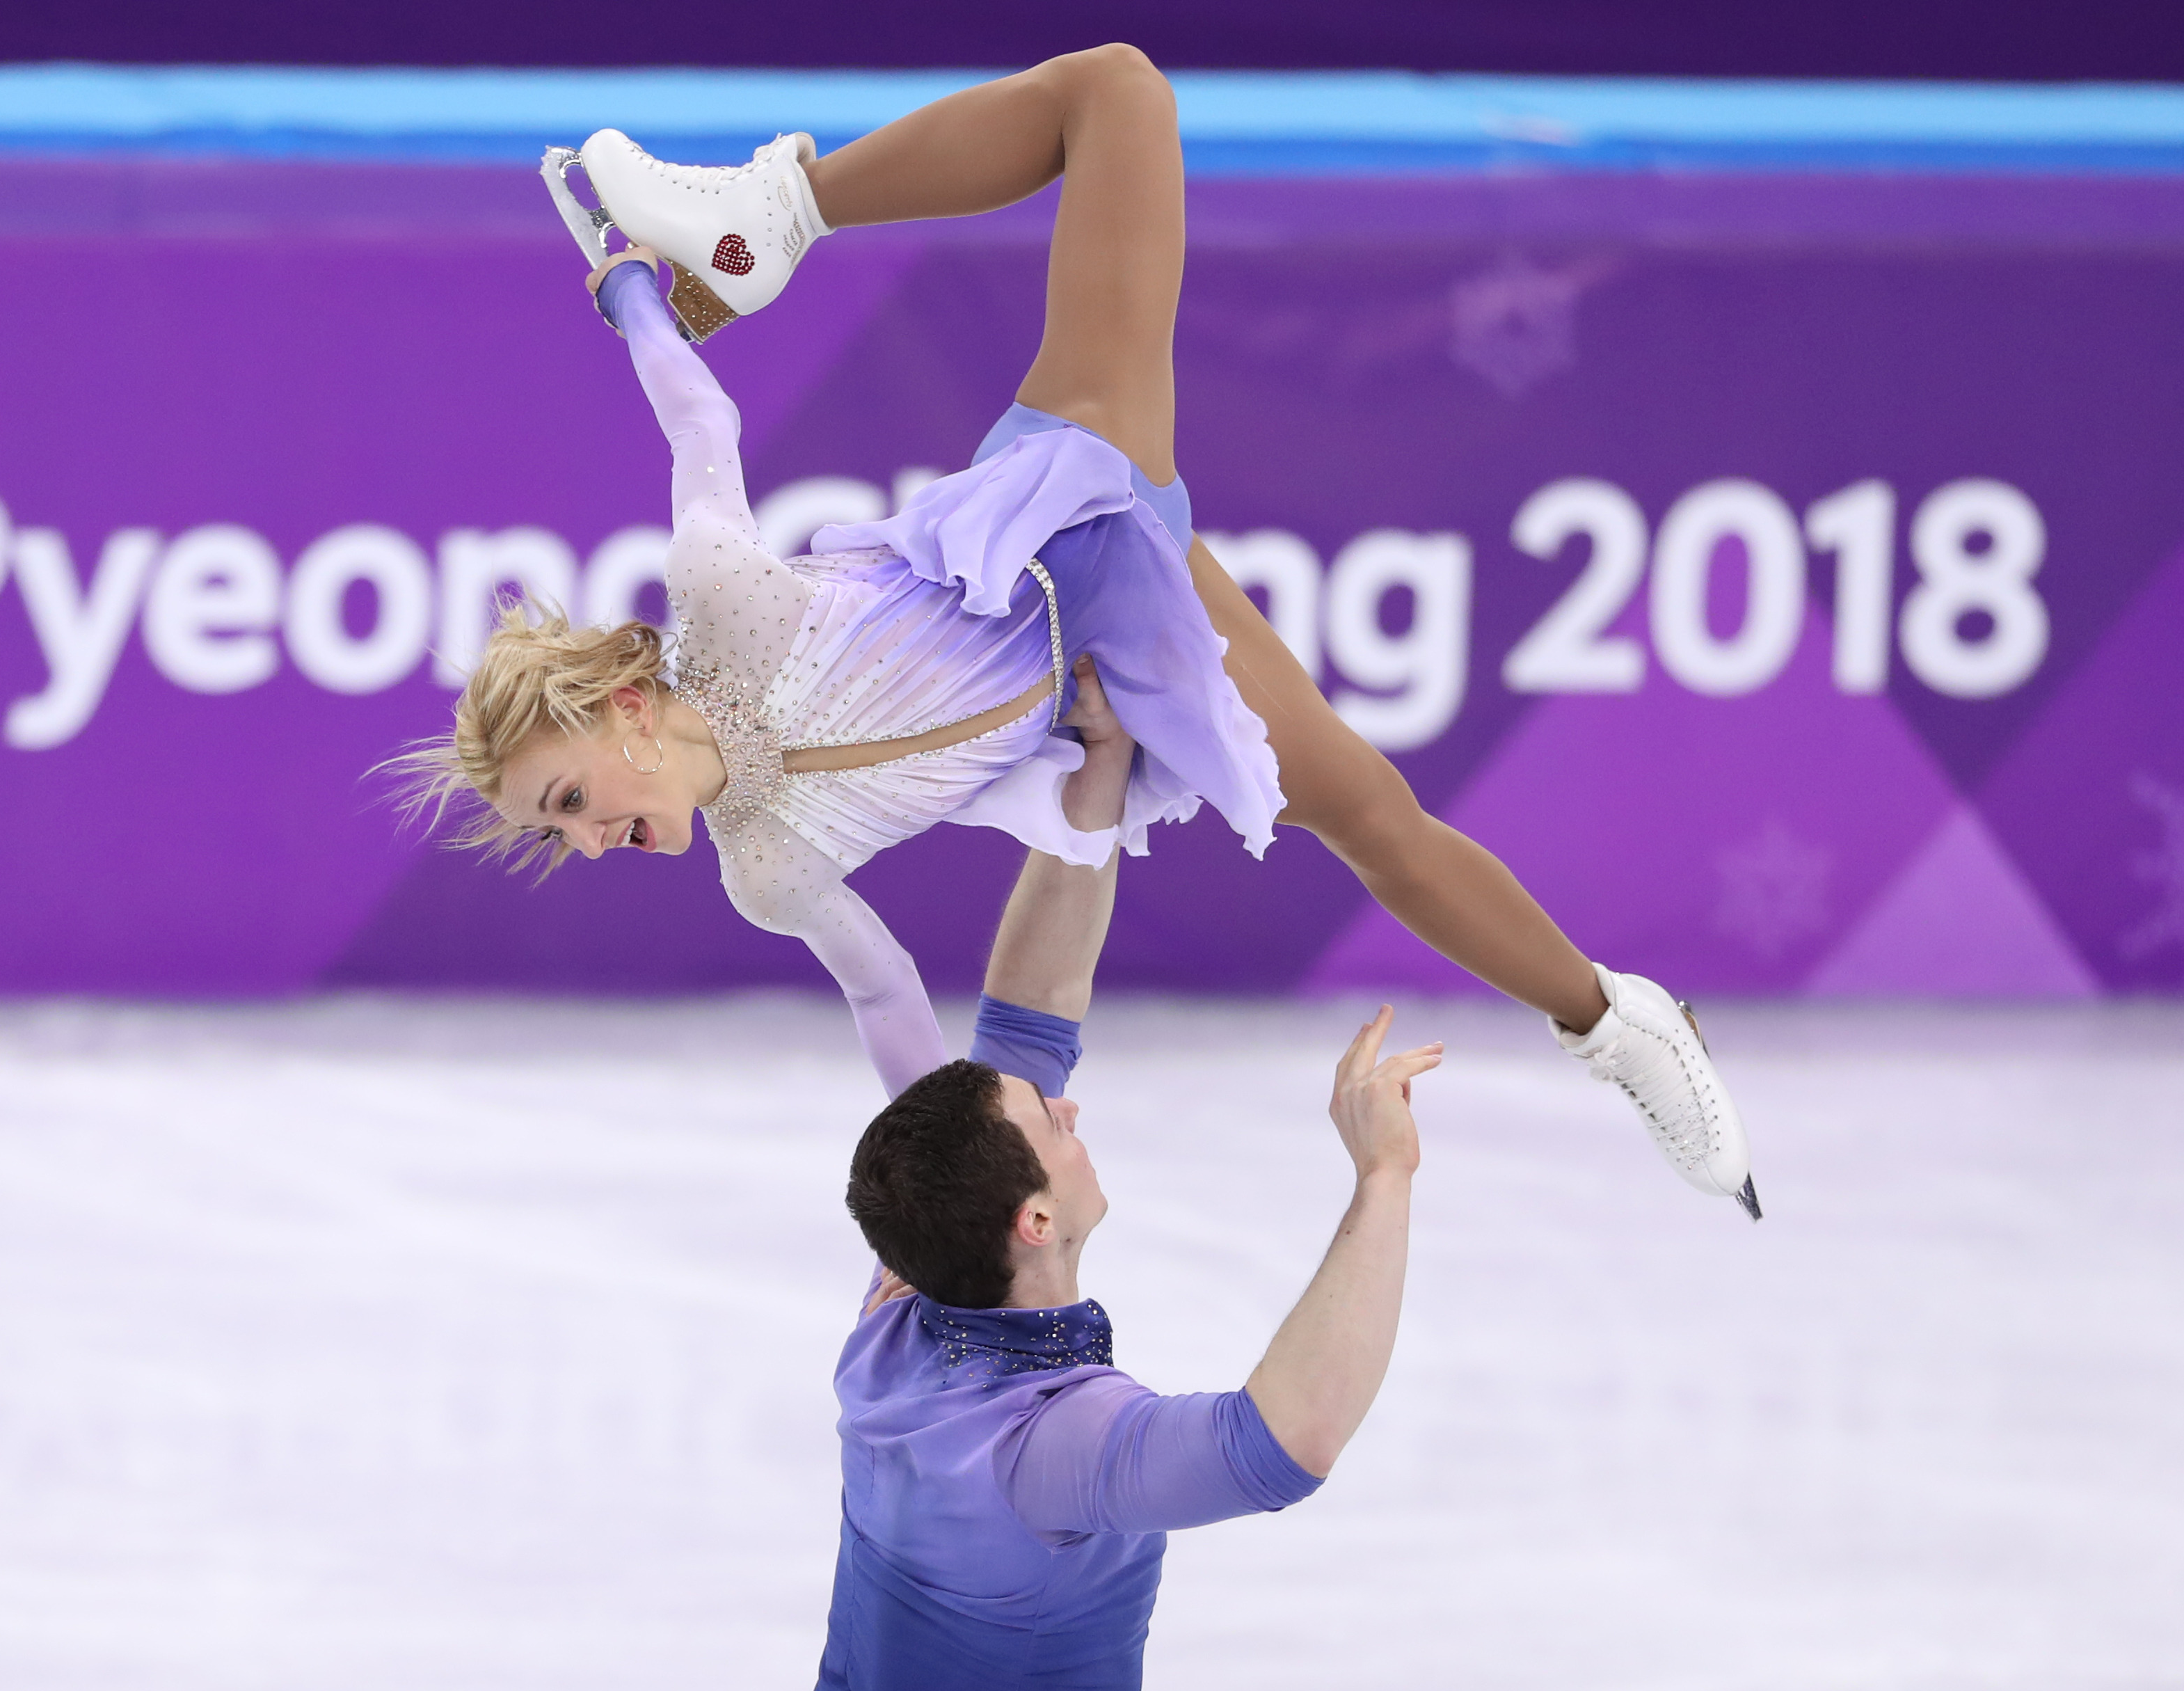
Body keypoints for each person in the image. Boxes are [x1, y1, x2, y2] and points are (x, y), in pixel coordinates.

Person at [395, 45, 1757, 1218]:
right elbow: (887, 1007)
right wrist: (936, 1199)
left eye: (567, 797)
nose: (582, 839)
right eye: (552, 831)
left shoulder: (722, 604)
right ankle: (1611, 1013)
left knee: (1115, 95)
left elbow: (702, 423)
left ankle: (768, 213)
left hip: (1058, 517)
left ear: (625, 708)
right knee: (1364, 812)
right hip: (1111, 674)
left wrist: (630, 289)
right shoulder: (766, 872)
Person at [784, 672, 1435, 1691]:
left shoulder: (896, 1323)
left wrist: (1100, 771)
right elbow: (1278, 1444)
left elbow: (1027, 1024)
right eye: (1052, 1126)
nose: (1068, 1104)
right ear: (1034, 1219)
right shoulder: (1052, 1449)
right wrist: (1383, 1177)